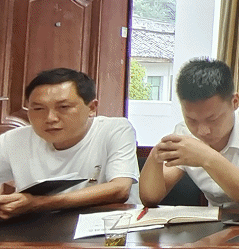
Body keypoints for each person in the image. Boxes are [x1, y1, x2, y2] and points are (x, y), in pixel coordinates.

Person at [138, 58, 239, 213]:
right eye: (191, 120)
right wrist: (155, 158)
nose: (202, 131)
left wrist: (206, 157)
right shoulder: (184, 133)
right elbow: (150, 198)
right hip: (216, 222)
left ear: (235, 102)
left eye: (212, 119)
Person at [0, 68, 138, 220]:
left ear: (92, 108)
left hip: (104, 226)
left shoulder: (114, 130)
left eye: (64, 107)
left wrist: (37, 203)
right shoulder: (14, 140)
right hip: (34, 228)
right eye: (38, 108)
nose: (50, 118)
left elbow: (120, 189)